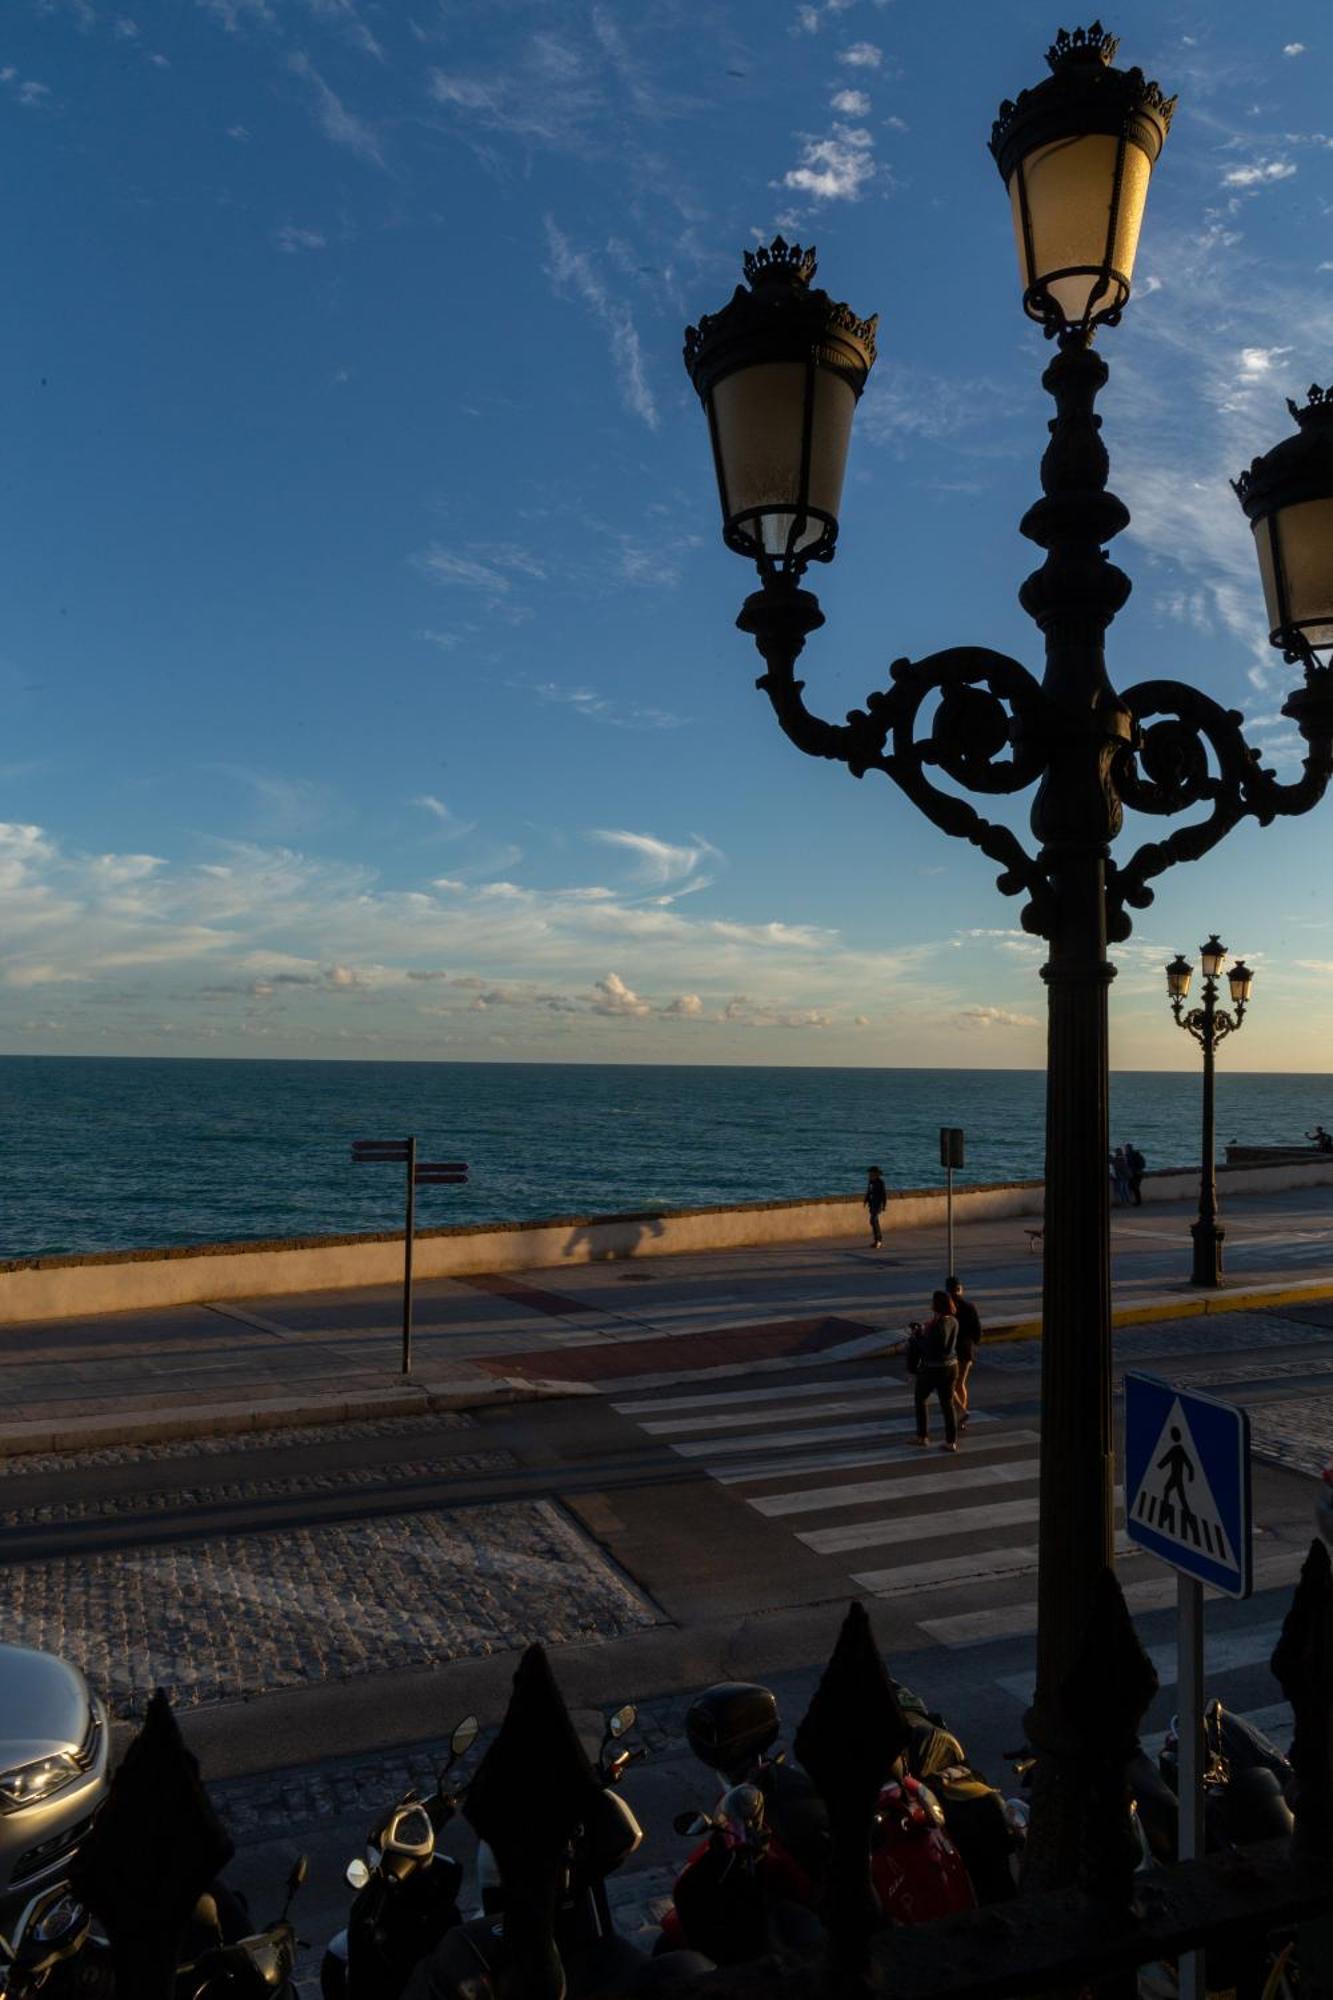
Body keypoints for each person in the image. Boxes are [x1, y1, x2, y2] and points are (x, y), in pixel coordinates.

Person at [910, 1288, 959, 1453]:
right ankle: (951, 1441)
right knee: (947, 1403)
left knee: (920, 1398)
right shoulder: (953, 1321)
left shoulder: (938, 1325)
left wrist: (917, 1337)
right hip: (952, 1366)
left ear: (936, 1305)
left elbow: (930, 1349)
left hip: (933, 1369)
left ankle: (922, 1436)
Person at [946, 1275, 981, 1429]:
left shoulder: (947, 1307)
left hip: (952, 1351)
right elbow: (977, 1331)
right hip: (967, 1350)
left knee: (949, 1385)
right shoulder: (970, 1306)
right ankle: (961, 1417)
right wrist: (973, 1345)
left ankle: (960, 1412)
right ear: (961, 1289)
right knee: (961, 1383)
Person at [864, 1165, 888, 1248]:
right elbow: (869, 1192)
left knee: (873, 1220)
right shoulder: (871, 1182)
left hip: (878, 1205)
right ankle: (877, 1240)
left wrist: (884, 1205)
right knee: (874, 1222)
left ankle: (878, 1240)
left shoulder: (881, 1182)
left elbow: (884, 1195)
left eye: (871, 1173)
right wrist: (866, 1201)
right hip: (872, 1204)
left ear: (875, 1174)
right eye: (869, 1174)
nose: (869, 1175)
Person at [1126, 1141, 1146, 1206]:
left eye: (1126, 1148)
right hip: (1140, 1173)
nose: (1125, 1149)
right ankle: (1138, 1201)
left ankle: (1137, 1202)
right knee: (1136, 1188)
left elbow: (1129, 1165)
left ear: (1128, 1148)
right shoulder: (1137, 1154)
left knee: (1135, 1188)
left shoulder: (1129, 1155)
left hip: (1134, 1173)